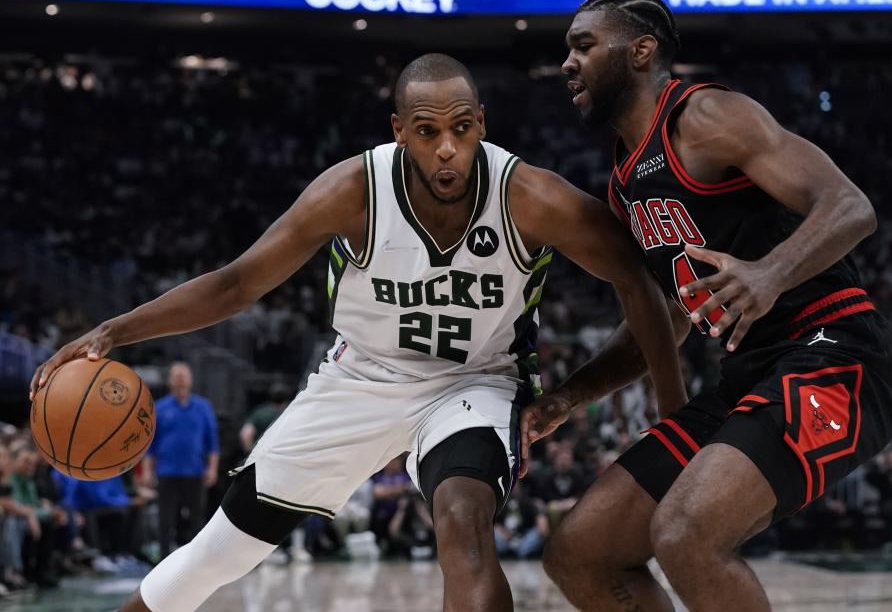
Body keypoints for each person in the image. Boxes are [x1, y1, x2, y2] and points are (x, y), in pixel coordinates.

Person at [30, 53, 686, 612]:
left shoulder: (530, 197)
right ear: (400, 132)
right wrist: (114, 332)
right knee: (217, 553)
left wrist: (658, 413)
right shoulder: (351, 191)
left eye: (462, 128)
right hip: (358, 378)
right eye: (428, 132)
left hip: (475, 384)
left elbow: (645, 287)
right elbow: (236, 285)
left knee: (462, 517)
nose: (448, 147)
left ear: (482, 122)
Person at [523, 0, 892, 612]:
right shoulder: (625, 182)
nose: (567, 61)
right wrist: (571, 396)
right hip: (750, 372)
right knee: (580, 551)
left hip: (837, 351)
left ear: (641, 50)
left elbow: (850, 206)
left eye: (584, 45)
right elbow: (668, 319)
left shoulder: (705, 117)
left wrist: (769, 273)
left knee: (687, 536)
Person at [140, 362, 219, 558]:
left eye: (184, 375)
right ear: (169, 381)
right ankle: (163, 560)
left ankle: (197, 560)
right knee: (165, 520)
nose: (180, 379)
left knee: (196, 520)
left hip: (195, 471)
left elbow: (212, 443)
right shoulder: (159, 407)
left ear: (191, 380)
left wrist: (212, 469)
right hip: (167, 472)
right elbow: (150, 445)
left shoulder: (203, 407)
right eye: (176, 375)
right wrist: (148, 471)